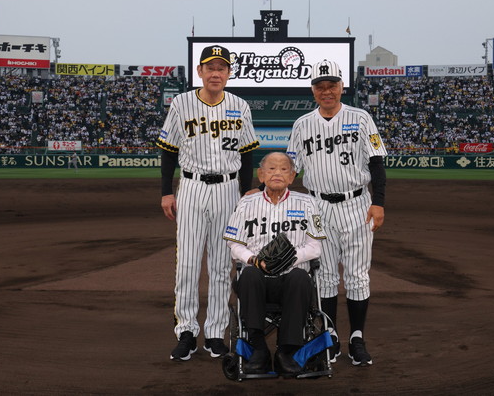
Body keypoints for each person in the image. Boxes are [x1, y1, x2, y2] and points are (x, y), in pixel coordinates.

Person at [157, 45, 260, 362]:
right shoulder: (181, 103)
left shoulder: (240, 106)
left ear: (228, 73)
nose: (216, 73)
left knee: (220, 265)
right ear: (200, 71)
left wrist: (245, 194)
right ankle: (186, 332)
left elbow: (247, 155)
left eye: (221, 68)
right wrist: (166, 191)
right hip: (191, 186)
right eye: (210, 67)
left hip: (228, 189)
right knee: (187, 263)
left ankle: (215, 333)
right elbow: (168, 150)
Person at [286, 59, 388, 367]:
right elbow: (290, 169)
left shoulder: (361, 118)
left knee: (357, 276)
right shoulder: (302, 124)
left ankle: (357, 338)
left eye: (332, 85)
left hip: (357, 205)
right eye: (320, 86)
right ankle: (329, 337)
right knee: (326, 277)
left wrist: (379, 201)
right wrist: (264, 190)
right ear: (313, 90)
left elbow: (377, 163)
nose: (326, 91)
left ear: (342, 87)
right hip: (317, 206)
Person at [223, 152, 326, 376]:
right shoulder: (246, 203)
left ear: (292, 176)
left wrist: (289, 259)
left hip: (291, 279)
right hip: (257, 279)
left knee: (300, 277)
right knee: (249, 274)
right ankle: (258, 349)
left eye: (283, 169)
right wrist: (253, 259)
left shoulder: (308, 203)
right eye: (271, 169)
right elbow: (234, 243)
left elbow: (315, 247)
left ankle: (287, 351)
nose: (277, 173)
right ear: (261, 175)